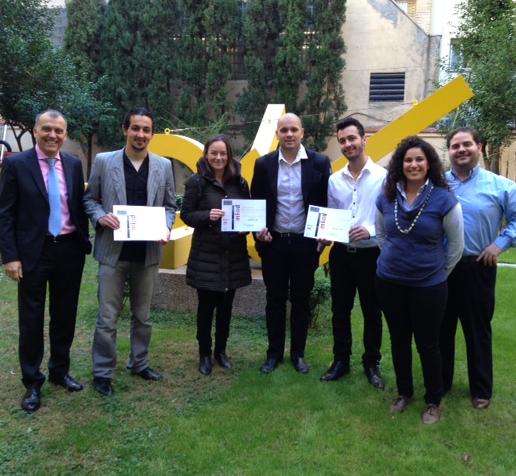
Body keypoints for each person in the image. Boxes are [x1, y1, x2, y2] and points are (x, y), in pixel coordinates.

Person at [0, 110, 91, 412]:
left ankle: (59, 371)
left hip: (69, 250)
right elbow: (5, 214)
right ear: (36, 131)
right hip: (33, 253)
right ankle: (32, 382)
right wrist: (10, 256)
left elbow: (77, 205)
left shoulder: (74, 164)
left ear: (65, 134)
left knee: (65, 315)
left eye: (59, 131)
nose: (53, 135)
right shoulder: (16, 164)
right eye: (47, 129)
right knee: (31, 319)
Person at [84, 107, 176, 397]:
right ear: (125, 129)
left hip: (146, 254)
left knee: (143, 316)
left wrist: (166, 226)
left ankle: (139, 363)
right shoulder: (104, 161)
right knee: (107, 318)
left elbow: (170, 206)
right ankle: (102, 373)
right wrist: (100, 216)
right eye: (135, 128)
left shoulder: (163, 165)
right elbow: (90, 199)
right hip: (113, 253)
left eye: (146, 129)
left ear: (152, 134)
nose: (140, 134)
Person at [375, 136, 463, 424]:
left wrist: (437, 273)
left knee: (428, 344)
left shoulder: (444, 199)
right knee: (399, 339)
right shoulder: (387, 196)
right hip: (390, 282)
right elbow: (381, 235)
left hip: (429, 286)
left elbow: (456, 246)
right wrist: (393, 261)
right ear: (400, 164)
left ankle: (433, 400)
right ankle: (405, 392)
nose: (413, 164)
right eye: (408, 160)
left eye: (419, 160)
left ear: (429, 164)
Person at [440, 127, 516, 410]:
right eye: (455, 146)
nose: (461, 150)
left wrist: (500, 244)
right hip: (442, 268)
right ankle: (441, 383)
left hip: (478, 266)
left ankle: (481, 389)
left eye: (466, 144)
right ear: (449, 151)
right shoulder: (437, 184)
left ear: (479, 147)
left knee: (477, 330)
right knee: (441, 328)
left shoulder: (500, 186)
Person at [251, 113, 331, 374]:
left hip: (304, 245)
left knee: (301, 300)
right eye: (284, 130)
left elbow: (326, 202)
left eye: (293, 129)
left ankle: (298, 354)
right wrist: (257, 232)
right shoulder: (264, 165)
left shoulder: (319, 163)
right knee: (274, 300)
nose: (289, 134)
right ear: (277, 134)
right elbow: (256, 203)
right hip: (273, 243)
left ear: (302, 133)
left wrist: (324, 233)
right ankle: (273, 354)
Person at [320, 118, 386, 388]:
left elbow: (391, 216)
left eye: (352, 138)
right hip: (341, 255)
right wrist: (326, 233)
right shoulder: (334, 180)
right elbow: (332, 215)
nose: (347, 144)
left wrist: (370, 230)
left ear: (364, 139)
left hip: (372, 255)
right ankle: (341, 361)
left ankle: (372, 363)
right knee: (340, 310)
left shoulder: (383, 177)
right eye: (342, 141)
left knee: (372, 311)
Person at [181, 135, 252, 375]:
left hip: (233, 254)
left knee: (226, 308)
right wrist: (207, 216)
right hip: (207, 255)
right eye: (214, 153)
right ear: (206, 155)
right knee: (205, 308)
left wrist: (248, 226)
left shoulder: (240, 182)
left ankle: (221, 351)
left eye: (223, 153)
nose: (219, 158)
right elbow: (186, 214)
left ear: (229, 156)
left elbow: (248, 213)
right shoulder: (196, 182)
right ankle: (204, 353)